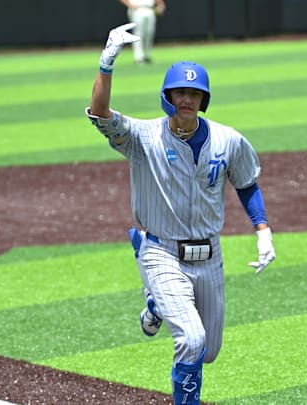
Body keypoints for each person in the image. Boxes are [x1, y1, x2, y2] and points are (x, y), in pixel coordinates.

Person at [86, 23, 276, 405]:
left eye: (194, 93)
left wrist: (263, 230)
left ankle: (155, 303)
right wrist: (107, 63)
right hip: (162, 252)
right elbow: (101, 113)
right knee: (191, 339)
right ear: (166, 96)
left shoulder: (228, 140)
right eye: (179, 93)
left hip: (210, 255)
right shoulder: (142, 138)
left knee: (208, 351)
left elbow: (246, 183)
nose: (186, 99)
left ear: (203, 99)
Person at [119, 0, 166, 64]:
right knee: (138, 34)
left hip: (149, 9)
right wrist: (130, 5)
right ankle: (138, 57)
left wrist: (160, 4)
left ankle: (147, 55)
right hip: (137, 9)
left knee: (149, 33)